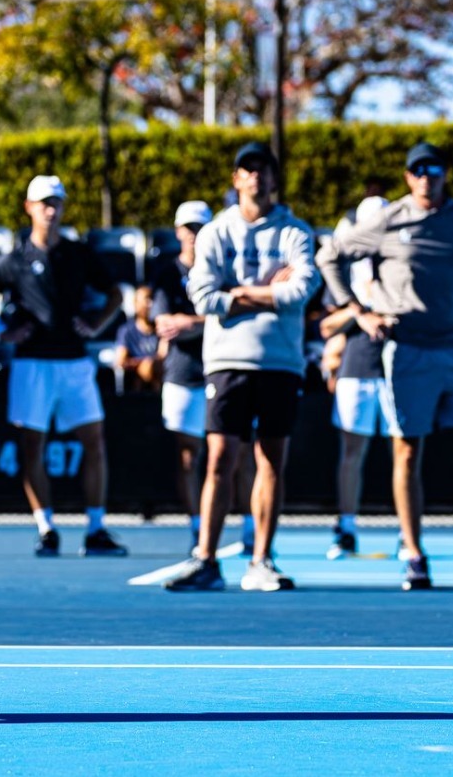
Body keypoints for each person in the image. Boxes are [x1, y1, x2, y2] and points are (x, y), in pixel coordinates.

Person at [318, 141, 453, 592]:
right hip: (407, 351)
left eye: (433, 168)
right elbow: (329, 256)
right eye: (417, 170)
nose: (426, 176)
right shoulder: (389, 219)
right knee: (407, 451)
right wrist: (360, 311)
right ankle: (413, 554)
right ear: (408, 177)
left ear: (445, 173)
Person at [166, 143, 319, 592]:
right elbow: (203, 297)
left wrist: (234, 295)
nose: (255, 177)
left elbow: (302, 290)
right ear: (236, 179)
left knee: (270, 460)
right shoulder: (214, 232)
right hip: (226, 362)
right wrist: (264, 292)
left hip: (280, 362)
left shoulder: (295, 232)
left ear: (273, 178)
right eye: (247, 170)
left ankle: (261, 561)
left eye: (263, 169)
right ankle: (206, 559)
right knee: (219, 459)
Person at [0, 175, 127, 557]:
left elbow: (116, 295)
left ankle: (95, 528)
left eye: (56, 203)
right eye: (43, 204)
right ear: (29, 208)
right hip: (32, 365)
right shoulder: (15, 259)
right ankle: (46, 528)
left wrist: (96, 324)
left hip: (74, 362)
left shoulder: (79, 253)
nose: (50, 210)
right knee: (32, 447)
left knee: (95, 443)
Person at [316, 196, 391, 559]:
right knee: (352, 453)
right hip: (356, 370)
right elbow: (326, 326)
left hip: (398, 369)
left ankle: (409, 537)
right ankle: (345, 528)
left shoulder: (401, 265)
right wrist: (359, 309)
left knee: (405, 455)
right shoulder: (346, 274)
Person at [150, 201, 214, 553]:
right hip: (180, 374)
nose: (194, 235)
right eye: (188, 228)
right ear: (178, 232)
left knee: (229, 456)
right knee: (189, 457)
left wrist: (190, 322)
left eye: (200, 228)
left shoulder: (222, 270)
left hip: (218, 370)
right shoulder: (166, 274)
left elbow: (230, 313)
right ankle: (196, 527)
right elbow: (163, 325)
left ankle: (249, 528)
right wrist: (203, 323)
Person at [113, 286, 162, 389]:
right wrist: (143, 364)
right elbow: (120, 361)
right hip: (136, 379)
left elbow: (163, 356)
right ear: (135, 304)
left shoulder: (162, 328)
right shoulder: (126, 331)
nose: (150, 304)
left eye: (152, 299)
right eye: (146, 299)